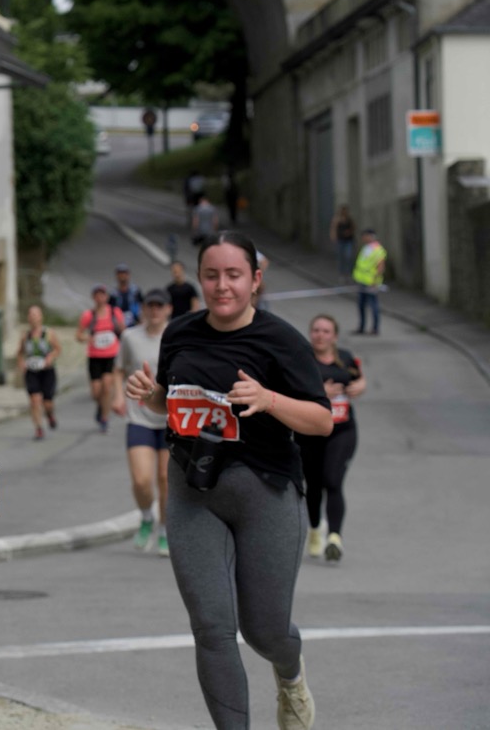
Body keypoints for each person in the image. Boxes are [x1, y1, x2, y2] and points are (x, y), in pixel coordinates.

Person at [124, 231, 332, 730]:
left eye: (234, 275)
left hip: (266, 493)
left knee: (265, 631)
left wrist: (269, 399)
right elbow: (171, 400)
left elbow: (322, 421)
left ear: (255, 280)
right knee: (212, 628)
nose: (222, 286)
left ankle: (290, 674)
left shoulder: (281, 340)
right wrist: (151, 395)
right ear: (200, 278)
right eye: (212, 275)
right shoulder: (180, 332)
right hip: (193, 491)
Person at [297, 315, 366, 563]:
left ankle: (335, 537)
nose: (320, 335)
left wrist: (360, 385)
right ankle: (316, 529)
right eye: (316, 330)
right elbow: (289, 390)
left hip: (342, 430)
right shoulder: (302, 360)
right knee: (313, 485)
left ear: (334, 336)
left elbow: (358, 379)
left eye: (326, 331)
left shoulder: (345, 358)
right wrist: (319, 393)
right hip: (311, 431)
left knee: (333, 479)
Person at [111, 287, 172, 556]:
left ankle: (165, 529)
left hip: (170, 418)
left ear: (169, 309)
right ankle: (147, 516)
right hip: (139, 416)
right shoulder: (130, 337)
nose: (155, 310)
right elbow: (119, 369)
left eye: (160, 306)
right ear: (144, 308)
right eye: (150, 305)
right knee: (141, 480)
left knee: (165, 479)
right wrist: (117, 395)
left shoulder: (175, 337)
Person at [75, 284, 125, 434]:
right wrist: (87, 338)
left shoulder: (115, 312)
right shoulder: (88, 315)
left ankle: (104, 418)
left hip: (111, 355)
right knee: (96, 392)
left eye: (102, 294)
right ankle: (101, 406)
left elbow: (123, 330)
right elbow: (78, 335)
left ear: (106, 297)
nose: (100, 298)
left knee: (107, 386)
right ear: (93, 297)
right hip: (95, 356)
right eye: (97, 295)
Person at [16, 305, 62, 440]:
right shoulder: (26, 336)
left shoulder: (49, 333)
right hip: (32, 372)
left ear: (41, 317)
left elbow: (58, 349)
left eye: (35, 315)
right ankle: (38, 428)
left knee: (47, 403)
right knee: (34, 400)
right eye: (31, 315)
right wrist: (21, 364)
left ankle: (50, 415)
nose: (33, 318)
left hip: (47, 371)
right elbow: (20, 353)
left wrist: (50, 357)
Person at [352, 229, 387, 335]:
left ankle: (375, 328)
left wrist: (375, 281)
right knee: (361, 305)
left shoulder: (378, 250)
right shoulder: (366, 248)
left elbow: (380, 267)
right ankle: (361, 327)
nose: (363, 238)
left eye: (364, 236)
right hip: (362, 281)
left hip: (371, 282)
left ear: (370, 236)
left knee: (373, 305)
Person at [329, 205, 357, 281]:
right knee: (341, 257)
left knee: (349, 256)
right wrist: (333, 236)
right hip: (341, 240)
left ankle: (349, 273)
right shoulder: (337, 219)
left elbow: (353, 227)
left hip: (348, 240)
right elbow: (333, 228)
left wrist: (349, 232)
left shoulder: (349, 219)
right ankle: (342, 274)